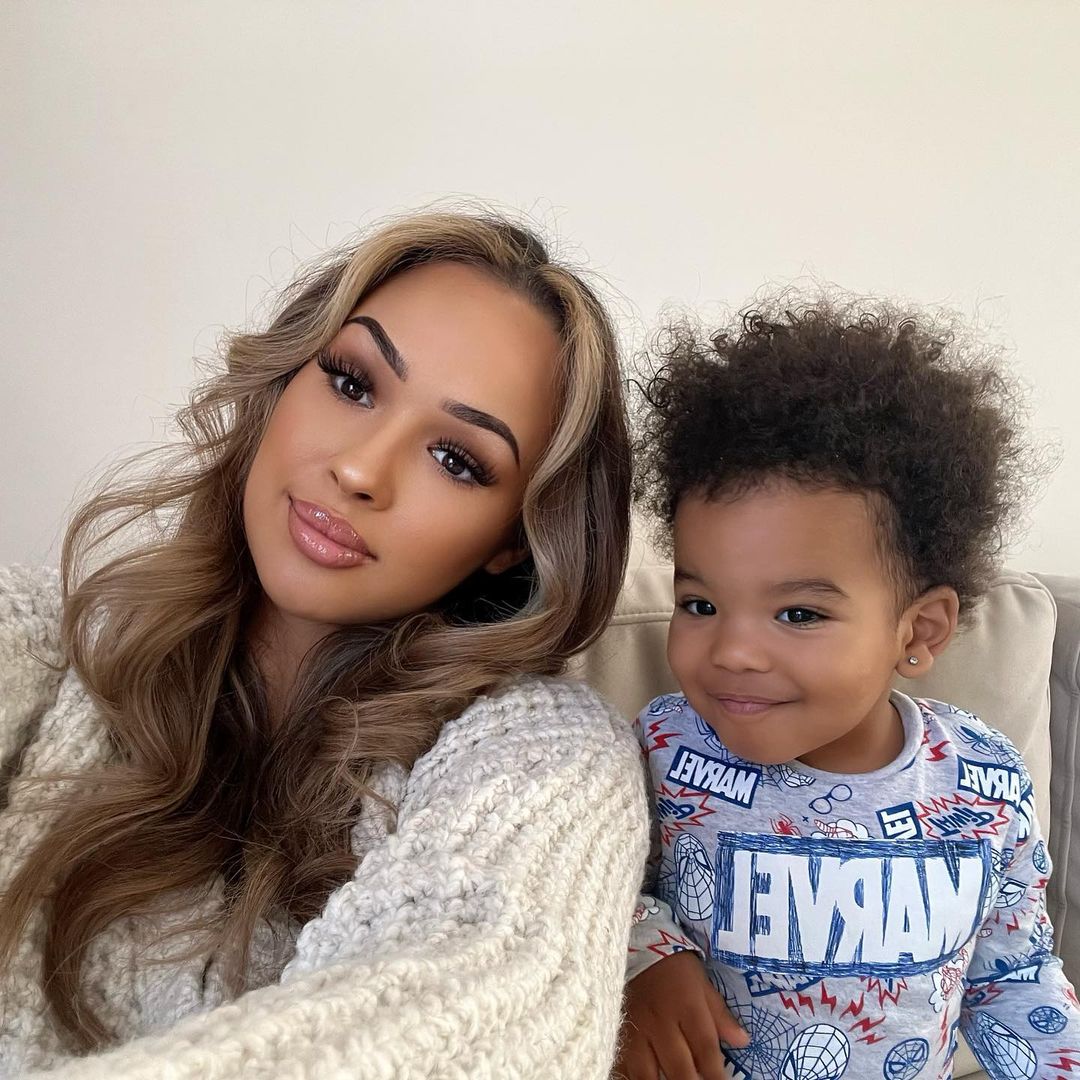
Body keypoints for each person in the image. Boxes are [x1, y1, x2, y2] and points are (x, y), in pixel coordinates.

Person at [0, 211, 648, 1078]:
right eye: (351, 382)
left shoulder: (549, 759)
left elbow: (487, 1018)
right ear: (285, 380)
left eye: (457, 459)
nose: (360, 470)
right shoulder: (54, 647)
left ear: (511, 539)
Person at [616, 299, 1080, 1080]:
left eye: (798, 614)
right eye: (700, 604)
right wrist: (647, 956)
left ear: (918, 631)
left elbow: (1014, 978)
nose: (732, 651)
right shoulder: (660, 750)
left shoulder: (985, 781)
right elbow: (582, 891)